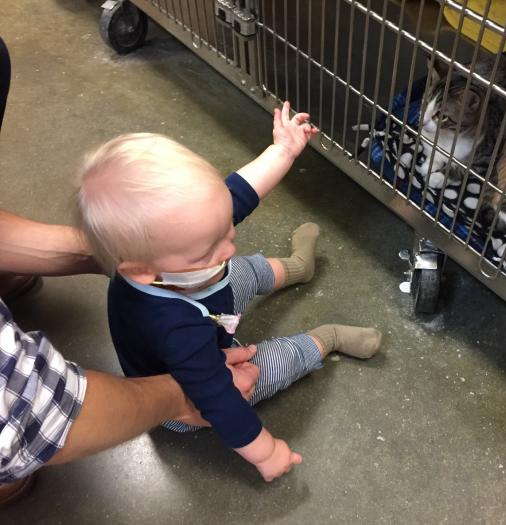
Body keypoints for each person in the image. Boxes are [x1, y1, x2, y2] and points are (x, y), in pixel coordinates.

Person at [74, 113, 383, 482]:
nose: (229, 246)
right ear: (141, 269)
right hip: (188, 397)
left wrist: (283, 150)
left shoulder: (179, 236)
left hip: (208, 309)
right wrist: (266, 452)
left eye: (226, 230)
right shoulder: (173, 328)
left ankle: (298, 267)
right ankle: (326, 339)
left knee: (240, 269)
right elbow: (218, 400)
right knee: (267, 366)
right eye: (208, 250)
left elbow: (241, 191)